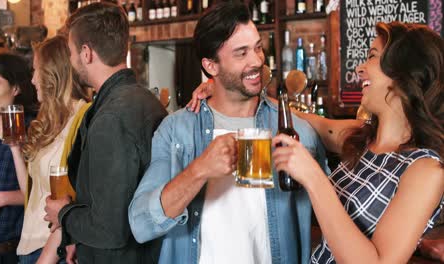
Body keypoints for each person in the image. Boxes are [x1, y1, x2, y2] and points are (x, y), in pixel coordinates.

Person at [129, 2, 329, 264]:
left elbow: (332, 228)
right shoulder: (177, 131)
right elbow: (141, 223)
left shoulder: (296, 133)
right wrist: (200, 169)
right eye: (241, 53)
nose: (257, 60)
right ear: (211, 66)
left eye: (257, 47)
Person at [271, 22, 443, 263]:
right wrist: (234, 93)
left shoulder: (425, 170)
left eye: (372, 56)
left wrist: (313, 177)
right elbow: (311, 121)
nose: (360, 69)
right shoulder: (364, 137)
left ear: (404, 73)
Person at [43, 2, 167, 263]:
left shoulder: (111, 117)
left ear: (86, 53)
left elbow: (110, 229)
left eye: (71, 52)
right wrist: (79, 237)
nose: (71, 60)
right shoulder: (146, 100)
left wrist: (63, 214)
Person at [9, 35, 90, 264]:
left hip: (56, 251)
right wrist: (15, 149)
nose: (33, 80)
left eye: (37, 70)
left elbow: (77, 199)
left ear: (54, 73)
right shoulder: (47, 121)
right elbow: (32, 197)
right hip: (28, 246)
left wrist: (47, 258)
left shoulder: (83, 116)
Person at [0, 53, 38, 263]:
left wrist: (0, 199)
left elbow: (40, 193)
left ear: (16, 88)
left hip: (9, 254)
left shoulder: (34, 130)